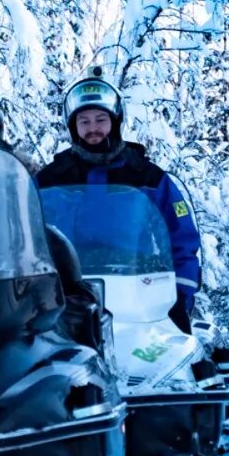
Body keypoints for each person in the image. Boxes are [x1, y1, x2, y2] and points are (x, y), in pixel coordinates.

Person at [35, 73, 203, 332]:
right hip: (63, 303)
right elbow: (22, 234)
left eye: (101, 119)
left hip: (139, 300)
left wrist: (180, 297)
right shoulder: (49, 179)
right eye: (84, 121)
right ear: (73, 126)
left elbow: (182, 239)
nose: (93, 128)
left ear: (115, 121)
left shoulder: (148, 177)